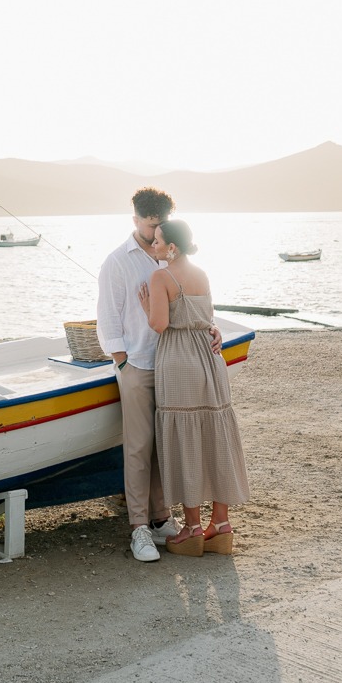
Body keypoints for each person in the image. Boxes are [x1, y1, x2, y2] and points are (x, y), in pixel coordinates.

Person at [97, 188, 221, 563]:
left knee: (165, 447)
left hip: (174, 366)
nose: (155, 235)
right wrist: (123, 363)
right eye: (150, 226)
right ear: (135, 220)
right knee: (137, 448)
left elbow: (192, 301)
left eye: (160, 227)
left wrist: (211, 327)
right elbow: (107, 319)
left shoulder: (172, 253)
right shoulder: (118, 261)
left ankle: (162, 518)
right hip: (138, 364)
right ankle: (139, 528)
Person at [138, 219, 250, 557]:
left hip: (179, 359)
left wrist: (146, 307)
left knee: (185, 439)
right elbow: (208, 316)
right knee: (215, 436)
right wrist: (212, 329)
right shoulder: (201, 273)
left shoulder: (161, 276)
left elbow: (159, 324)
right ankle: (221, 522)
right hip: (209, 357)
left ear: (171, 246)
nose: (153, 246)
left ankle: (192, 528)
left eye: (157, 241)